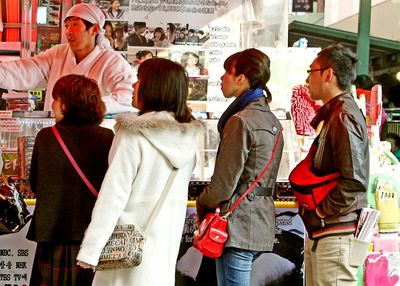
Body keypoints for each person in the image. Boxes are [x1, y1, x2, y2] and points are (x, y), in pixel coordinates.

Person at [76, 58, 204, 285]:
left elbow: (113, 196)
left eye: (139, 80)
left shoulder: (132, 135)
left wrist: (91, 250)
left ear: (154, 87)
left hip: (125, 248)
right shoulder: (188, 139)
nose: (134, 86)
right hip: (163, 248)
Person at [196, 48, 284, 286]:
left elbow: (223, 186)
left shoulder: (240, 121)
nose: (221, 78)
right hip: (259, 221)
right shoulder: (272, 121)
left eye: (227, 71)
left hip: (237, 224)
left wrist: (202, 203)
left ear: (241, 78)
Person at [27, 74, 114, 286]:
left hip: (53, 234)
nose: (53, 104)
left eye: (56, 98)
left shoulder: (47, 136)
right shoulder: (107, 137)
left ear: (67, 103)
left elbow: (35, 184)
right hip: (92, 238)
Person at [299, 43, 369, 286]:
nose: (308, 79)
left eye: (311, 71)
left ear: (328, 74)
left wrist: (320, 212)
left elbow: (354, 182)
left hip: (336, 233)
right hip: (328, 232)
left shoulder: (343, 115)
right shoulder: (336, 113)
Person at [0, 3, 135, 114]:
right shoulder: (57, 54)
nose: (69, 31)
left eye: (75, 25)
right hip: (55, 135)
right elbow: (24, 71)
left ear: (94, 29)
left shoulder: (111, 61)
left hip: (92, 138)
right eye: (66, 26)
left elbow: (129, 97)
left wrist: (88, 106)